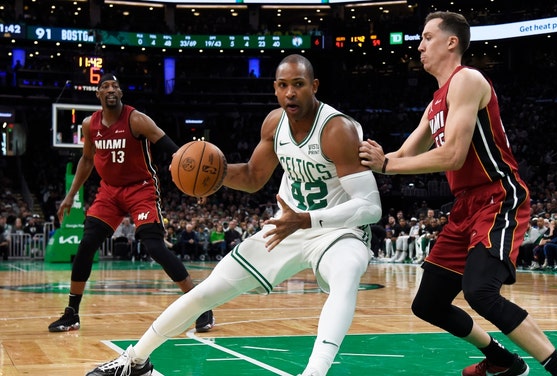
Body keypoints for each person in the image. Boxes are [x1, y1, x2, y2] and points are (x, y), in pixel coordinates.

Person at [85, 54, 382, 376]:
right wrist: (214, 174)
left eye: (298, 85)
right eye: (283, 86)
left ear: (314, 86)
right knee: (208, 290)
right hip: (288, 227)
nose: (290, 93)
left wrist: (309, 219)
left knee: (346, 275)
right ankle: (135, 360)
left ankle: (315, 372)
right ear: (275, 89)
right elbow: (254, 176)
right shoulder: (274, 123)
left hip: (338, 230)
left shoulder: (337, 129)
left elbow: (370, 206)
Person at [358, 11, 557, 376]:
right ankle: (502, 360)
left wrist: (386, 166)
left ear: (451, 42)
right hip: (465, 207)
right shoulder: (435, 104)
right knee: (428, 303)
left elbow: (452, 154)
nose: (419, 45)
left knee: (481, 293)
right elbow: (401, 155)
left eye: (427, 37)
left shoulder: (468, 80)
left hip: (498, 196)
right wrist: (354, 161)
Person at [48, 74, 214, 334]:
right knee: (87, 244)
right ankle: (71, 313)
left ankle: (200, 304)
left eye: (115, 85)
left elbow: (174, 150)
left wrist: (196, 184)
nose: (111, 89)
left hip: (141, 188)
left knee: (154, 246)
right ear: (98, 95)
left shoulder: (137, 119)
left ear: (121, 92)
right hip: (109, 192)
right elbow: (87, 160)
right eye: (105, 86)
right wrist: (70, 194)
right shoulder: (89, 125)